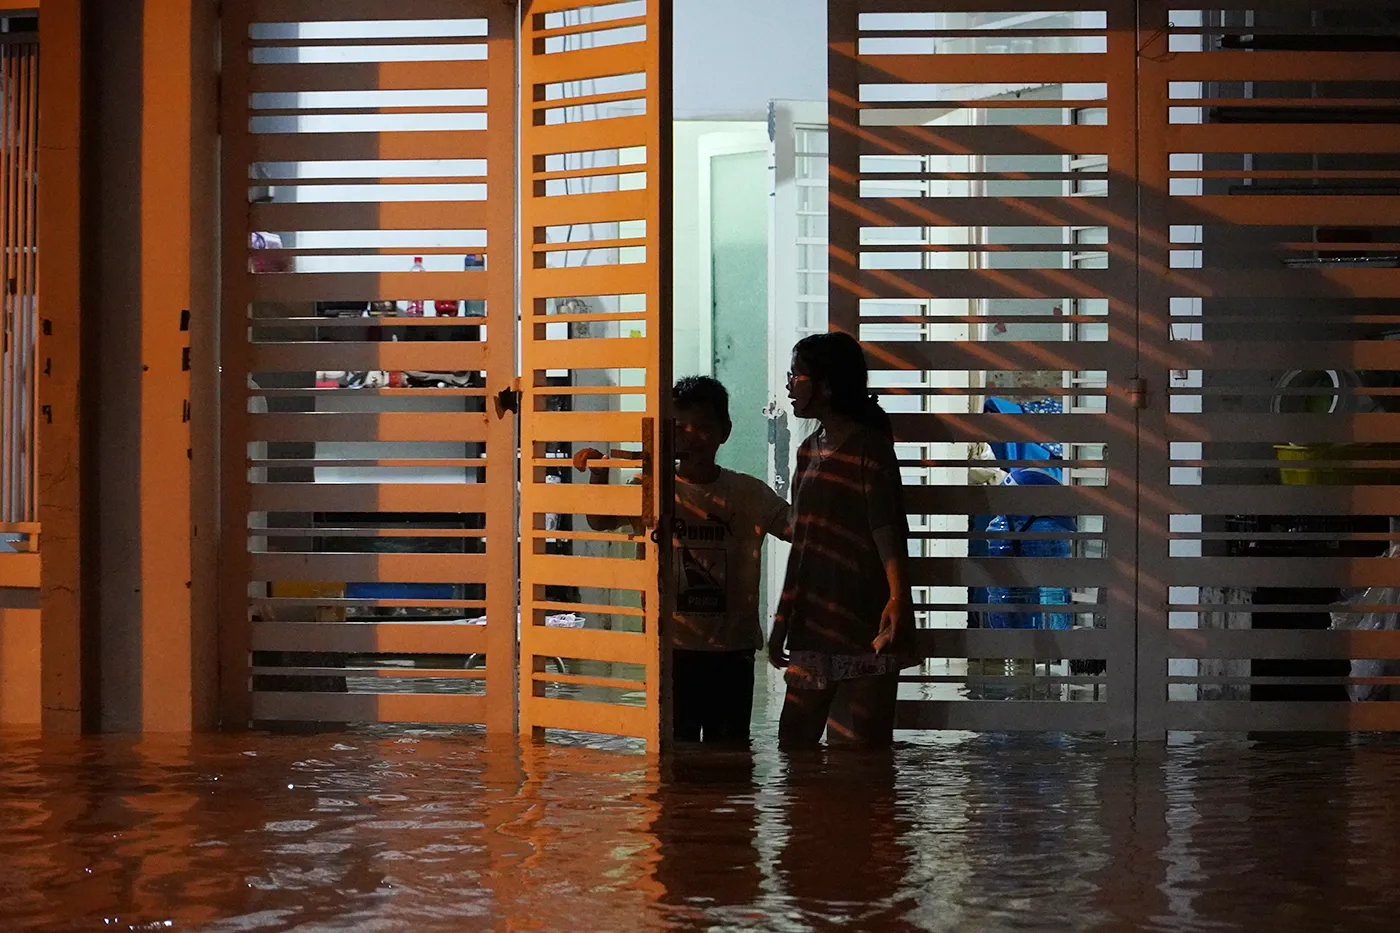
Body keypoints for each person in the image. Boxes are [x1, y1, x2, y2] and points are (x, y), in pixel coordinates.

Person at [574, 376, 791, 743]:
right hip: (670, 648)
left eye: (702, 428)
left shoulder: (747, 493)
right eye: (680, 427)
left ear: (724, 432)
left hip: (731, 651)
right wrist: (599, 473)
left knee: (730, 755)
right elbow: (599, 520)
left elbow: (799, 530)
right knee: (674, 751)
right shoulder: (650, 489)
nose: (690, 437)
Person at [769, 332, 917, 747]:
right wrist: (782, 621)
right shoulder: (806, 451)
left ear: (827, 386)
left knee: (869, 753)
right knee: (793, 745)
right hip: (813, 619)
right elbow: (803, 543)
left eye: (797, 375)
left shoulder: (869, 447)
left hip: (864, 616)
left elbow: (886, 528)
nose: (789, 385)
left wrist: (898, 600)